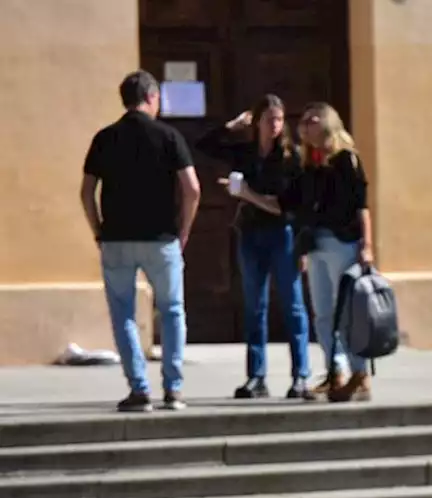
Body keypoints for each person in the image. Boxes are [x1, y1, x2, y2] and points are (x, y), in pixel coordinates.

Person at [80, 70, 201, 413]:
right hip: (161, 238)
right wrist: (184, 231)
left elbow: (87, 191)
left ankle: (138, 389)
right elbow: (192, 189)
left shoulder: (105, 138)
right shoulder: (168, 136)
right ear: (151, 97)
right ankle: (174, 389)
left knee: (123, 313)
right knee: (173, 310)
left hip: (116, 237)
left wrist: (98, 229)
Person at [196, 95, 312, 400]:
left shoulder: (291, 158)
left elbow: (286, 208)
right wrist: (232, 125)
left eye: (279, 119)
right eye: (269, 119)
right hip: (250, 235)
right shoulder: (245, 153)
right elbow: (205, 145)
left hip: (283, 236)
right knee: (254, 306)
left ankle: (301, 375)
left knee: (293, 305)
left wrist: (248, 194)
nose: (274, 125)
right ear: (257, 121)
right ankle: (256, 377)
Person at [281, 102, 375, 403]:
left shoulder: (346, 160)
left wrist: (368, 245)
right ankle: (336, 370)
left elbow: (362, 206)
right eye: (303, 122)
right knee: (323, 313)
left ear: (327, 123)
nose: (305, 126)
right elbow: (296, 205)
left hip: (342, 242)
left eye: (312, 120)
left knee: (347, 313)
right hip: (316, 244)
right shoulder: (309, 164)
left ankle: (360, 376)